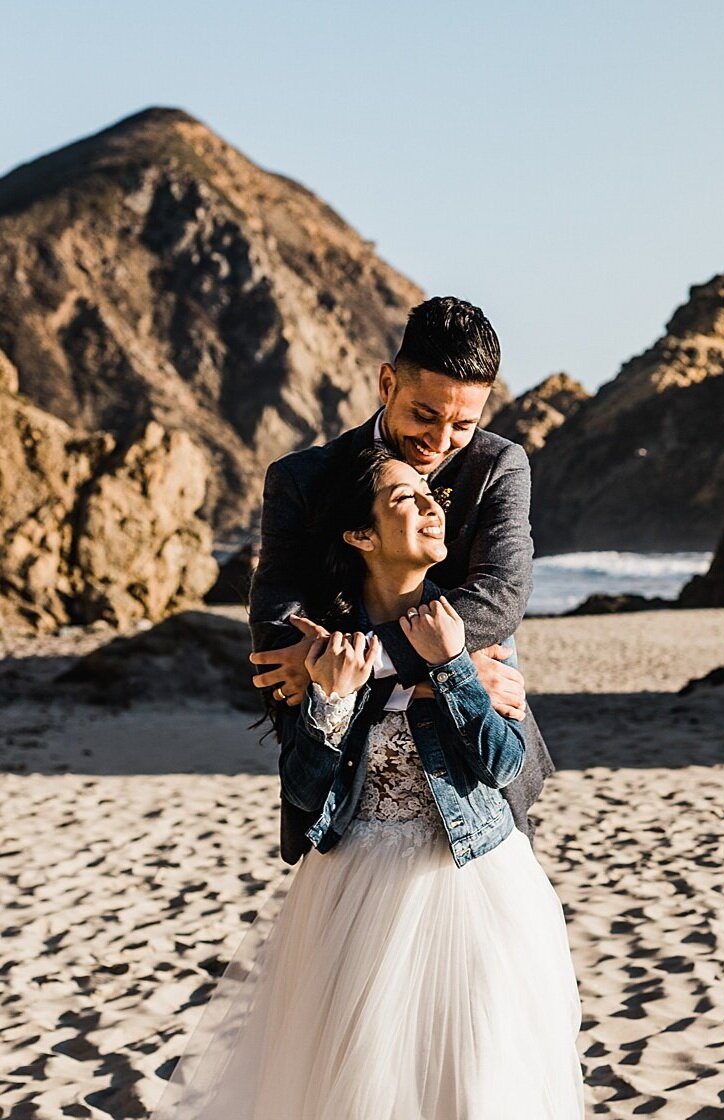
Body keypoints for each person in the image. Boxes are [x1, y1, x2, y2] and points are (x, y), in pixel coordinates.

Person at [148, 446, 584, 1119]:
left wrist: (452, 669)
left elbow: (505, 766)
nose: (432, 506)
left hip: (476, 889)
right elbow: (304, 791)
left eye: (432, 495)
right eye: (406, 499)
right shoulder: (322, 648)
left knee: (475, 1090)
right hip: (353, 893)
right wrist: (330, 698)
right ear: (360, 535)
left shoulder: (471, 628)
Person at [249, 296, 555, 864]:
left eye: (464, 423)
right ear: (387, 383)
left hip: (475, 786)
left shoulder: (498, 466)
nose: (440, 442)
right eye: (425, 414)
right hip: (348, 789)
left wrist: (375, 664)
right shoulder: (301, 479)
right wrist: (454, 672)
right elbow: (276, 639)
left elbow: (500, 598)